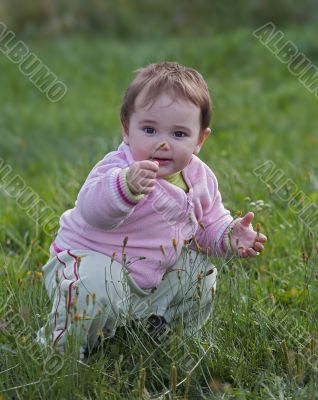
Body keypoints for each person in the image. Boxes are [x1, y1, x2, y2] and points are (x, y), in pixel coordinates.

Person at [37, 62, 267, 359]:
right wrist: (125, 187)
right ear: (126, 130)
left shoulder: (200, 178)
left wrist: (228, 234)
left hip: (149, 280)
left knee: (200, 273)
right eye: (149, 129)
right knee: (95, 285)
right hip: (85, 264)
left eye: (179, 134)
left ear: (200, 140)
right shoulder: (118, 168)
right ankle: (62, 351)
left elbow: (207, 226)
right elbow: (92, 209)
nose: (162, 142)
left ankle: (160, 334)